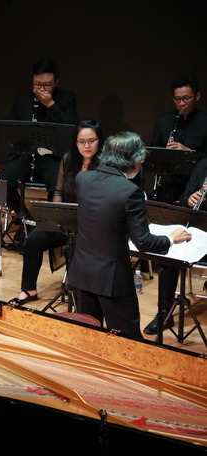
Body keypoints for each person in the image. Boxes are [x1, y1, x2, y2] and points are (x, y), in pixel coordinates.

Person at [68, 132, 191, 338]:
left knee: (89, 337)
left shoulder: (83, 179)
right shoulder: (130, 192)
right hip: (112, 280)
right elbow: (143, 242)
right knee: (127, 341)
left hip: (82, 274)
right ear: (132, 160)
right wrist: (171, 238)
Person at [9, 118, 103, 305]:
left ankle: (82, 296)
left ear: (100, 141)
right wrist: (54, 217)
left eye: (91, 141)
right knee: (34, 239)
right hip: (68, 221)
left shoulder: (105, 164)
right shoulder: (69, 159)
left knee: (78, 248)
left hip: (93, 227)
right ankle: (29, 290)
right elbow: (58, 191)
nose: (86, 146)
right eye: (81, 141)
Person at [0, 58, 78, 216]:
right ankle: (23, 219)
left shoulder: (66, 98)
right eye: (37, 84)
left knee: (58, 185)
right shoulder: (23, 100)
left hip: (52, 157)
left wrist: (51, 105)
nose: (41, 89)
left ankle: (48, 224)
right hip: (26, 155)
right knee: (3, 182)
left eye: (47, 85)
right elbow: (11, 127)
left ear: (56, 82)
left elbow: (72, 128)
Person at [146, 158, 207, 335]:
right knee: (170, 250)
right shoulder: (203, 165)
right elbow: (184, 197)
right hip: (198, 231)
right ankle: (164, 313)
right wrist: (190, 199)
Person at [149, 75, 207, 204]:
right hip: (167, 187)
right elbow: (153, 152)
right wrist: (165, 154)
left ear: (197, 97)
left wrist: (189, 153)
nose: (181, 103)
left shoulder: (205, 122)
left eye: (187, 98)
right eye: (177, 99)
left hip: (193, 189)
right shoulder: (164, 121)